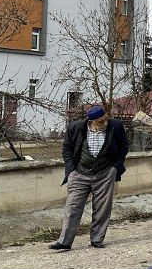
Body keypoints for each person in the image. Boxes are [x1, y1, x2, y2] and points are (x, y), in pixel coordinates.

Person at [51, 106, 129, 251]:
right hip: (79, 173)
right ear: (90, 121)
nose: (104, 122)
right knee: (72, 206)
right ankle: (65, 241)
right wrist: (71, 171)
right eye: (100, 121)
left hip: (105, 173)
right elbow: (66, 149)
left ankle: (97, 239)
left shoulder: (115, 126)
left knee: (102, 208)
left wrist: (115, 168)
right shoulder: (75, 128)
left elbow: (124, 147)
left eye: (105, 119)